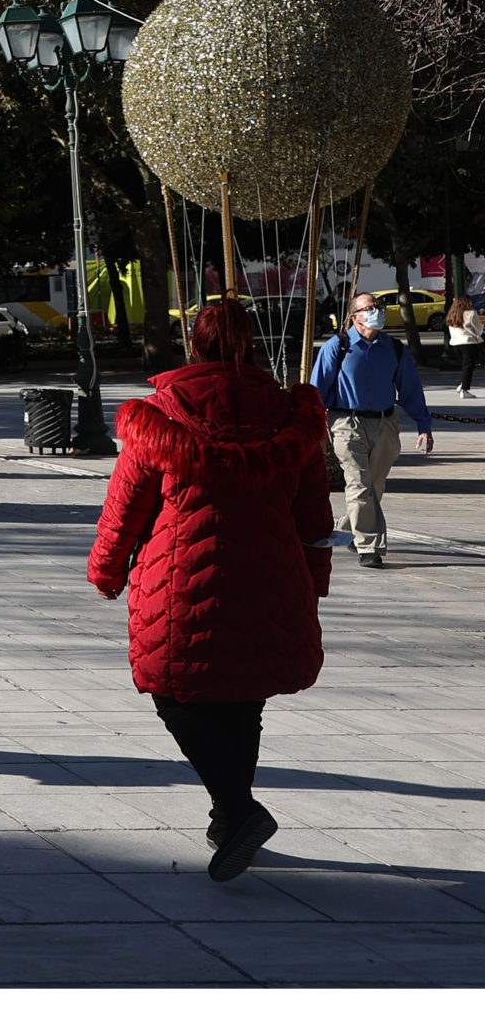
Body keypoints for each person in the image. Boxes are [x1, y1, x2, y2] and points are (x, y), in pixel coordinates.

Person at [89, 299, 330, 882]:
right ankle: (229, 819)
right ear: (252, 343)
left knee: (173, 692)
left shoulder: (160, 415)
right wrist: (313, 580)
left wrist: (106, 570)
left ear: (195, 345)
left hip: (181, 577)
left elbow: (126, 507)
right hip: (272, 573)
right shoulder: (290, 416)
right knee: (245, 698)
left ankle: (240, 811)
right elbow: (314, 515)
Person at [310, 289, 435, 569]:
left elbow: (411, 389)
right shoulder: (337, 346)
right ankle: (369, 546)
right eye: (369, 307)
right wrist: (314, 428)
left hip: (385, 423)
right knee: (359, 483)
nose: (376, 310)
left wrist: (424, 426)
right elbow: (316, 390)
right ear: (354, 317)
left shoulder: (395, 349)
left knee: (374, 485)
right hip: (346, 423)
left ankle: (349, 528)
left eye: (378, 306)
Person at [450, 297, 483, 399]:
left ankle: (462, 385)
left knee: (466, 367)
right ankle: (464, 390)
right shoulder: (471, 313)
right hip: (468, 343)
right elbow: (479, 329)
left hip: (455, 343)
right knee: (468, 367)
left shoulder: (452, 314)